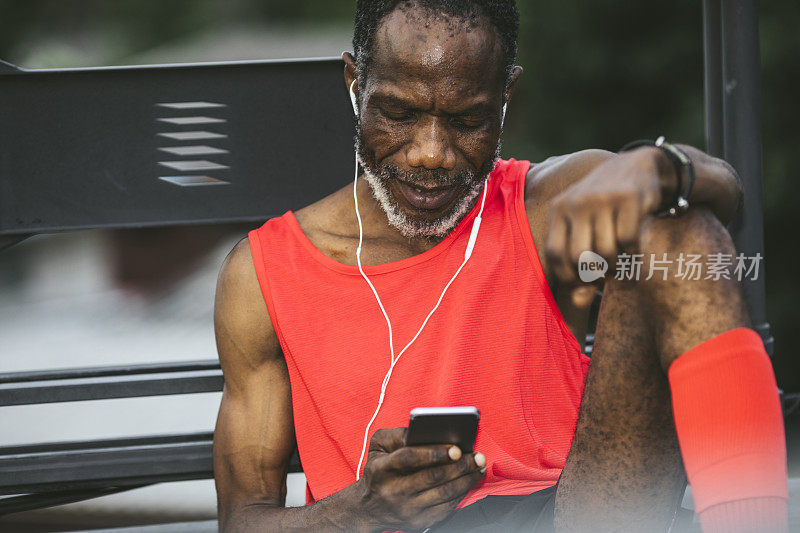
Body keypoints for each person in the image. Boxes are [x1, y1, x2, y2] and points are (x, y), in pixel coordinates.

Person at [212, 1, 788, 531]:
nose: (431, 153)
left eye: (467, 121)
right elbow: (242, 521)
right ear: (354, 84)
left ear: (505, 96)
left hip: (579, 515)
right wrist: (361, 510)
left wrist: (662, 168)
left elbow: (725, 193)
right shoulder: (263, 273)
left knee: (677, 229)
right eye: (399, 113)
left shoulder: (539, 208)